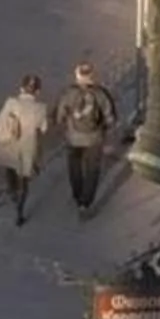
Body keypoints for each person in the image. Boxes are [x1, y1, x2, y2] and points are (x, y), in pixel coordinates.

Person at [59, 61, 120, 219]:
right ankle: (85, 203)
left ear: (77, 75)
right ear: (92, 76)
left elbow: (60, 115)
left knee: (74, 167)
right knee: (92, 170)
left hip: (73, 137)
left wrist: (65, 125)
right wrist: (106, 130)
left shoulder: (69, 93)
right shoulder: (100, 94)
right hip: (94, 138)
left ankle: (77, 194)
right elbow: (110, 118)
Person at [0, 73, 49, 226]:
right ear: (37, 91)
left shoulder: (11, 102)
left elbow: (0, 119)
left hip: (9, 145)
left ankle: (12, 193)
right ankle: (19, 210)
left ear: (21, 88)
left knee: (9, 171)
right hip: (27, 149)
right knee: (24, 180)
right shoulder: (40, 108)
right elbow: (43, 128)